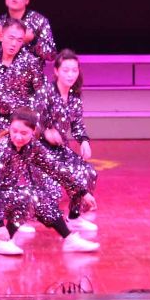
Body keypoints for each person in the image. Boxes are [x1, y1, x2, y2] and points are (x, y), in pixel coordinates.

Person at [0, 107, 101, 255]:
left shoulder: (32, 147)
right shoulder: (1, 150)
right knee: (29, 196)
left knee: (38, 196)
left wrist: (82, 192)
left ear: (33, 131)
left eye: (24, 133)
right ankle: (5, 241)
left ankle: (67, 239)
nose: (18, 137)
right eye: (14, 131)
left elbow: (56, 169)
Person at [33, 49, 99, 234]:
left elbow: (77, 124)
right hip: (39, 150)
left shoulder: (74, 97)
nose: (70, 75)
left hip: (60, 149)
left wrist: (84, 141)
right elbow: (32, 121)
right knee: (51, 190)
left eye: (74, 70)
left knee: (88, 173)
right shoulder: (45, 92)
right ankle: (21, 218)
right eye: (66, 70)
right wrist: (45, 132)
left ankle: (74, 217)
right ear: (56, 71)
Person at [0, 18, 44, 138]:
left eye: (19, 40)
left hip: (23, 123)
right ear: (1, 36)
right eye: (11, 38)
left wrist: (34, 122)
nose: (14, 44)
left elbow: (42, 93)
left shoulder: (31, 62)